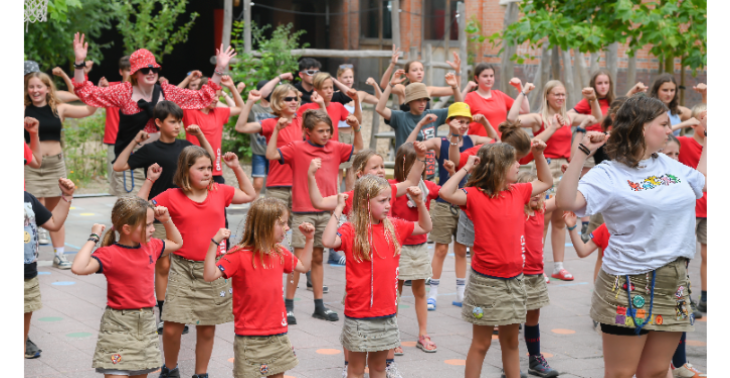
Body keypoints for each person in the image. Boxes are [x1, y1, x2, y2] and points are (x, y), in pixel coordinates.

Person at [555, 95, 707, 378]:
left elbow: (702, 180)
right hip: (627, 285)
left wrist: (709, 136)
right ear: (642, 127)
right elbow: (567, 202)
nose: (671, 128)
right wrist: (581, 153)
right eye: (663, 123)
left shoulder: (670, 165)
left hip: (673, 283)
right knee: (622, 374)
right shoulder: (608, 173)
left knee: (657, 371)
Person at [439, 139, 553, 378]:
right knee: (481, 344)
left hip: (514, 282)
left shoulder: (518, 191)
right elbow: (445, 192)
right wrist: (466, 167)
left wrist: (539, 154)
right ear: (500, 166)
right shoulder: (475, 195)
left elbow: (546, 181)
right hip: (486, 284)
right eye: (513, 162)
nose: (518, 165)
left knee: (511, 343)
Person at [70, 32, 234, 191]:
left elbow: (203, 97)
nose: (151, 73)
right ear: (135, 73)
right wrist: (79, 63)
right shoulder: (124, 92)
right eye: (145, 70)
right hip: (131, 163)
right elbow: (85, 92)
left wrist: (219, 68)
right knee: (134, 213)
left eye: (154, 69)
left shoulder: (166, 92)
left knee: (162, 212)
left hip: (162, 163)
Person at [146, 146, 256, 378]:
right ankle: (170, 369)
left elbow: (249, 194)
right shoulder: (171, 195)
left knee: (207, 328)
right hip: (182, 268)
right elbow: (137, 209)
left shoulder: (219, 191)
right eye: (201, 168)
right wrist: (149, 181)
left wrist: (235, 167)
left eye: (209, 168)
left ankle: (201, 374)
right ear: (186, 171)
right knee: (172, 326)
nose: (208, 173)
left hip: (213, 268)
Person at [114, 101, 215, 332]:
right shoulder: (150, 150)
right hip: (160, 215)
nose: (177, 125)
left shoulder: (186, 146)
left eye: (179, 121)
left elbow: (209, 160)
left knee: (186, 265)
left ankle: (184, 310)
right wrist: (136, 142)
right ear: (158, 123)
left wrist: (199, 134)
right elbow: (119, 166)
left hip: (186, 216)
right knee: (164, 265)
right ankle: (164, 313)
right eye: (172, 121)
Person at [323, 176, 432, 378]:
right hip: (359, 314)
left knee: (379, 368)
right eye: (382, 201)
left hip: (386, 313)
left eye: (389, 200)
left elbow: (425, 227)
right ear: (365, 202)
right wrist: (338, 209)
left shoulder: (394, 226)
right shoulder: (351, 229)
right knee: (355, 370)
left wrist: (419, 203)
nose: (388, 205)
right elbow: (328, 240)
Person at [267, 110, 363, 324]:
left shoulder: (336, 147)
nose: (326, 134)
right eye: (321, 131)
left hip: (326, 213)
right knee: (300, 261)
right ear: (308, 132)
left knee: (318, 259)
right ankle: (288, 306)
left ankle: (319, 306)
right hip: (303, 212)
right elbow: (271, 154)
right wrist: (277, 130)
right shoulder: (296, 148)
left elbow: (359, 149)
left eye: (329, 130)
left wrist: (356, 127)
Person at [70, 198, 183, 377]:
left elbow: (177, 243)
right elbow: (78, 267)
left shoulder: (151, 246)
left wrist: (167, 220)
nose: (153, 229)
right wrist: (93, 237)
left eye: (152, 223)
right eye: (147, 225)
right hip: (118, 326)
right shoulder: (109, 254)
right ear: (127, 229)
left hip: (145, 323)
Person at [203, 199, 315, 378]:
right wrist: (214, 243)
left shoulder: (280, 252)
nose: (287, 228)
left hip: (278, 333)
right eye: (282, 223)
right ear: (264, 225)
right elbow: (209, 275)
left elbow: (304, 267)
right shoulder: (238, 254)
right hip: (249, 337)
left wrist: (309, 239)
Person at [403, 103, 495, 311]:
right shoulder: (440, 141)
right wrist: (420, 125)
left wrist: (485, 121)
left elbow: (496, 141)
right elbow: (410, 146)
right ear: (449, 122)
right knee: (441, 249)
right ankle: (433, 293)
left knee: (462, 250)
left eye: (466, 122)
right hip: (445, 202)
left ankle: (461, 293)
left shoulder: (473, 140)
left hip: (469, 200)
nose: (463, 125)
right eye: (459, 121)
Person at [508, 81, 597, 282]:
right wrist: (523, 93)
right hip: (544, 167)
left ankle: (558, 266)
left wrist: (592, 99)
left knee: (560, 218)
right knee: (542, 218)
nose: (561, 98)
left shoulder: (569, 117)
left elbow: (597, 118)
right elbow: (511, 119)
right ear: (547, 96)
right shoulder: (539, 118)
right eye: (556, 94)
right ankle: (535, 266)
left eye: (563, 94)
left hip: (564, 169)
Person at [24, 71, 98, 267]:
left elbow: (90, 110)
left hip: (55, 164)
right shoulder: (22, 109)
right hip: (30, 165)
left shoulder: (60, 108)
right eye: (31, 86)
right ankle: (27, 254)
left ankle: (59, 255)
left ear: (48, 89)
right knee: (27, 212)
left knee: (57, 211)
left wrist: (96, 90)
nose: (35, 90)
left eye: (39, 86)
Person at [390, 143, 441, 354]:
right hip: (397, 247)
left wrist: (461, 172)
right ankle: (391, 336)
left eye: (424, 162)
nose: (421, 168)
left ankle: (423, 334)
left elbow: (448, 192)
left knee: (420, 290)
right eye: (416, 162)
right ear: (404, 164)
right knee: (395, 291)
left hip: (419, 247)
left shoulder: (427, 186)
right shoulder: (393, 187)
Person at [514, 172, 559, 377]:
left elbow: (563, 197)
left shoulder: (541, 210)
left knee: (534, 315)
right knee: (513, 319)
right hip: (516, 275)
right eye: (531, 190)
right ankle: (511, 361)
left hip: (536, 275)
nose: (536, 194)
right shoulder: (515, 211)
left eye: (540, 191)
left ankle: (535, 359)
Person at [24, 178, 75, 360]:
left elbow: (53, 223)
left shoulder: (27, 198)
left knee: (24, 314)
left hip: (26, 274)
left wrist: (66, 197)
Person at [376, 68, 462, 174]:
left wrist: (455, 87)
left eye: (425, 100)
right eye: (418, 100)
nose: (422, 103)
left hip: (428, 173)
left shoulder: (433, 115)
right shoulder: (400, 117)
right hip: (405, 172)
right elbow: (379, 108)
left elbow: (459, 108)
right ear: (409, 102)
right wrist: (390, 85)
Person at [182, 75, 244, 185]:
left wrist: (231, 86)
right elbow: (169, 101)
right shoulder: (188, 111)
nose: (216, 99)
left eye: (218, 96)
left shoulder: (219, 112)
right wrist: (187, 80)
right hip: (193, 168)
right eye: (213, 95)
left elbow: (240, 108)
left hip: (215, 169)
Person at [333, 65, 382, 191]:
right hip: (339, 135)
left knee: (353, 173)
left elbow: (380, 100)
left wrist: (375, 85)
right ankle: (335, 203)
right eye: (345, 77)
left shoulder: (359, 94)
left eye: (351, 77)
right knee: (337, 174)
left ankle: (350, 205)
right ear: (338, 78)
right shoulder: (334, 96)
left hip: (354, 136)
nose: (349, 79)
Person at [379, 44, 462, 112]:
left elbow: (454, 89)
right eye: (415, 70)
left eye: (421, 70)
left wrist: (458, 71)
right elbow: (384, 85)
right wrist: (392, 64)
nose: (419, 72)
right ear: (407, 75)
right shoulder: (403, 89)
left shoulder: (428, 90)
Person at [95, 56, 132, 196]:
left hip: (134, 141)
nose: (132, 73)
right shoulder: (110, 88)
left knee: (134, 179)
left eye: (134, 70)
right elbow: (93, 97)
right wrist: (101, 87)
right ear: (121, 71)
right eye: (128, 70)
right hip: (114, 140)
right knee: (115, 179)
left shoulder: (142, 90)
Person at [463, 63, 530, 137]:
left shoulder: (500, 95)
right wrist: (466, 90)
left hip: (500, 145)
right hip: (479, 145)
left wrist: (520, 88)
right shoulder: (470, 97)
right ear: (476, 78)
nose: (489, 79)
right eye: (485, 76)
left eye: (491, 76)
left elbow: (524, 110)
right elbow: (457, 114)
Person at [240, 80, 279, 198]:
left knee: (275, 185)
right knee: (258, 184)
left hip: (275, 152)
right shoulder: (254, 108)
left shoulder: (277, 109)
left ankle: (272, 211)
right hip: (259, 152)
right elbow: (241, 109)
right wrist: (239, 91)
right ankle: (254, 211)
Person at [297, 72, 361, 142]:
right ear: (315, 90)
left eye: (331, 87)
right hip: (312, 150)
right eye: (325, 88)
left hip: (333, 151)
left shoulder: (338, 106)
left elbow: (358, 121)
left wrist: (356, 100)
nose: (330, 91)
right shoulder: (306, 108)